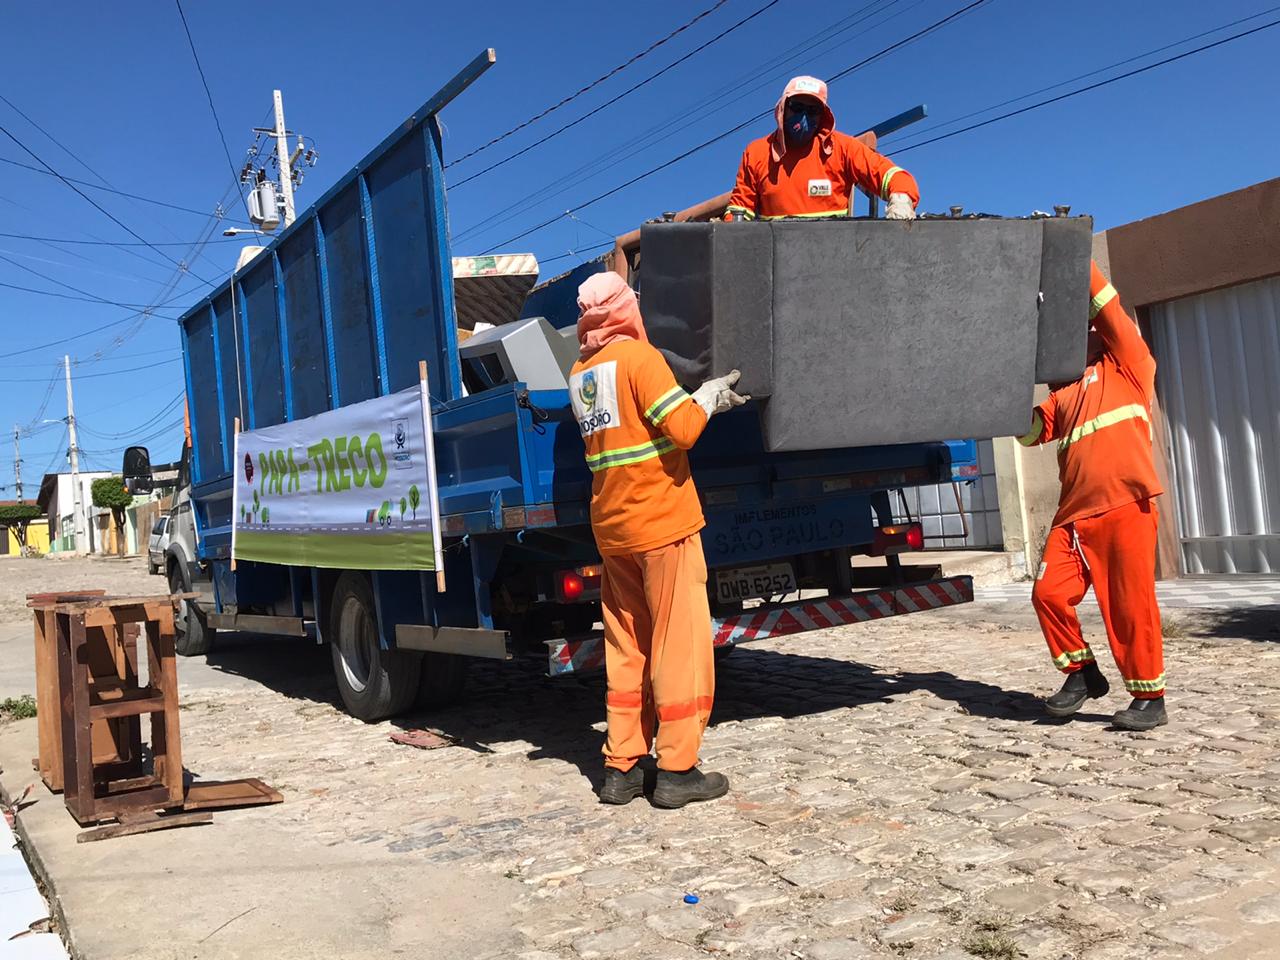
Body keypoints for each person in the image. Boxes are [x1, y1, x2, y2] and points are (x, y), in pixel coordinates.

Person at [569, 272, 747, 807]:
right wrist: (708, 397)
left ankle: (621, 766)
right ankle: (677, 769)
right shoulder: (639, 359)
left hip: (613, 527)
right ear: (625, 309)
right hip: (662, 525)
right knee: (679, 642)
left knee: (627, 645)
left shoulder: (581, 372)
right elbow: (684, 430)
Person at [1020, 262, 1167, 731]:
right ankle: (1081, 674)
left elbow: (1109, 306)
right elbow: (1033, 432)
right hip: (1073, 518)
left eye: (1080, 325)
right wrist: (994, 407)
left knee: (1129, 606)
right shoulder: (1062, 391)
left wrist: (1070, 252)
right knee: (1048, 594)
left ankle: (1150, 699)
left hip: (1126, 506)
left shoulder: (1130, 364)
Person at [724, 75, 920, 222]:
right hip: (775, 266)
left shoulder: (842, 148)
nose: (803, 117)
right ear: (783, 108)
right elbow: (739, 211)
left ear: (823, 115)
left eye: (813, 111)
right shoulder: (757, 153)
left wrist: (902, 197)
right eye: (797, 107)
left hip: (831, 263)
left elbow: (894, 176)